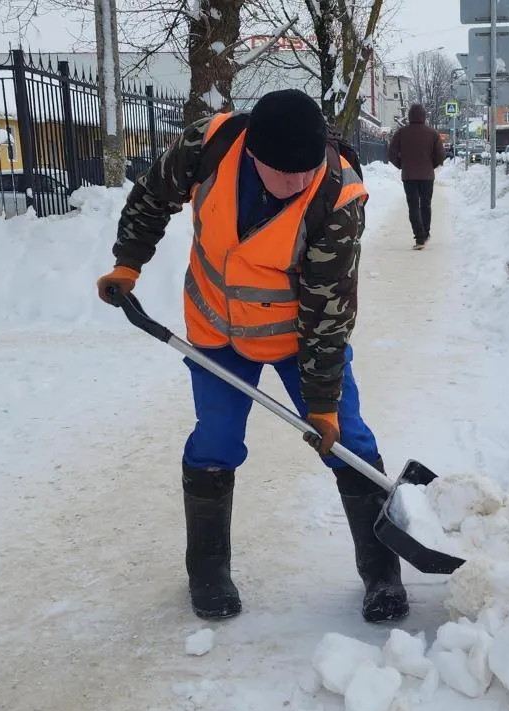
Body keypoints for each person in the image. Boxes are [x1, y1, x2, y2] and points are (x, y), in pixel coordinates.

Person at [94, 89, 408, 624]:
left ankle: (382, 573)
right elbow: (151, 196)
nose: (294, 185)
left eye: (304, 172)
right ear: (252, 153)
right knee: (215, 440)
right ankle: (208, 569)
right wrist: (128, 262)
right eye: (282, 174)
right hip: (216, 329)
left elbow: (329, 312)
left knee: (349, 440)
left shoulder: (337, 197)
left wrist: (323, 402)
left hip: (296, 338)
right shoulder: (210, 144)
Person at [387, 103, 445, 248]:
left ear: (409, 116)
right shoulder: (432, 133)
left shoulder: (401, 133)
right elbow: (440, 155)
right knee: (425, 204)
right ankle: (425, 232)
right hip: (427, 176)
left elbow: (391, 153)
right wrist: (431, 165)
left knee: (413, 206)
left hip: (409, 176)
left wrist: (401, 164)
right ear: (424, 116)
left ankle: (419, 237)